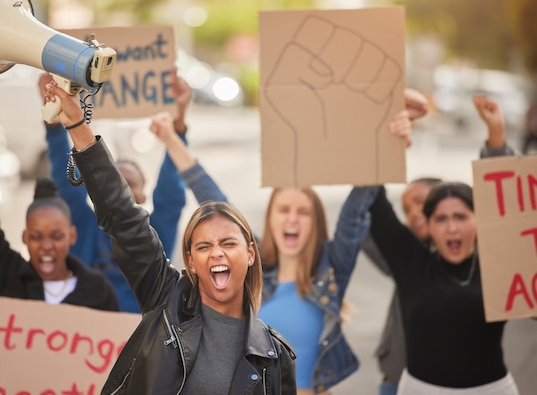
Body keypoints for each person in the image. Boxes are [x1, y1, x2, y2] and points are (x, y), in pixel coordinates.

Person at [43, 80, 298, 394]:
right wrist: (75, 123)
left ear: (250, 253)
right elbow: (124, 217)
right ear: (190, 260)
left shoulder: (276, 357)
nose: (217, 252)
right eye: (204, 246)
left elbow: (170, 198)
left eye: (228, 243)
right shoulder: (166, 300)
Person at [149, 96, 414, 394]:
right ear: (269, 221)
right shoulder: (253, 264)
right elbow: (211, 196)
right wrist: (170, 138)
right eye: (283, 210)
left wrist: (389, 145)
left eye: (303, 212)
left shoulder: (331, 267)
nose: (293, 219)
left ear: (316, 223)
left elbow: (357, 205)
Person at [362, 93, 517, 395]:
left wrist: (496, 138)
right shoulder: (409, 262)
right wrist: (388, 135)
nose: (452, 227)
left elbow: (506, 203)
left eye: (461, 216)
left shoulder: (500, 263)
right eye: (441, 219)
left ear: (478, 220)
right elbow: (372, 195)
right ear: (428, 226)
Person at [0, 96, 119, 312]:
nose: (46, 245)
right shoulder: (7, 278)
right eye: (37, 236)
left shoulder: (97, 292)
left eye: (56, 236)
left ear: (72, 236)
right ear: (25, 237)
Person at [39, 69, 191, 313]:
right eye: (113, 182)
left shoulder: (156, 237)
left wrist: (178, 128)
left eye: (129, 184)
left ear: (142, 197)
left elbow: (170, 197)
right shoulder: (83, 228)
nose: (119, 190)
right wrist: (55, 121)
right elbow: (64, 180)